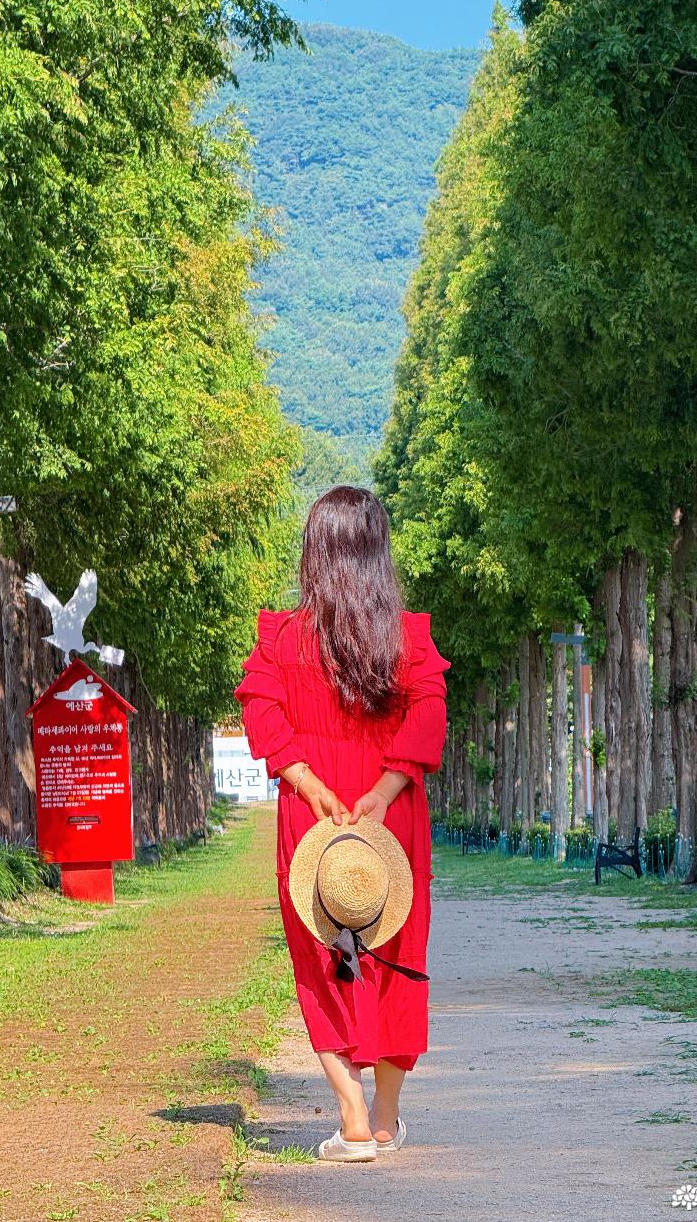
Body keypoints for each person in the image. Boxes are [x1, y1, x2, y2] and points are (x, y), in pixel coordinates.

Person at [234, 485, 450, 1161]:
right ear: (377, 550)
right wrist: (384, 791)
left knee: (322, 956)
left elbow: (261, 709)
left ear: (315, 551)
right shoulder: (407, 636)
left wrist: (308, 783)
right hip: (390, 811)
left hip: (314, 815)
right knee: (394, 954)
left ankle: (351, 1116)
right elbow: (429, 712)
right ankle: (384, 1116)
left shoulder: (282, 637)